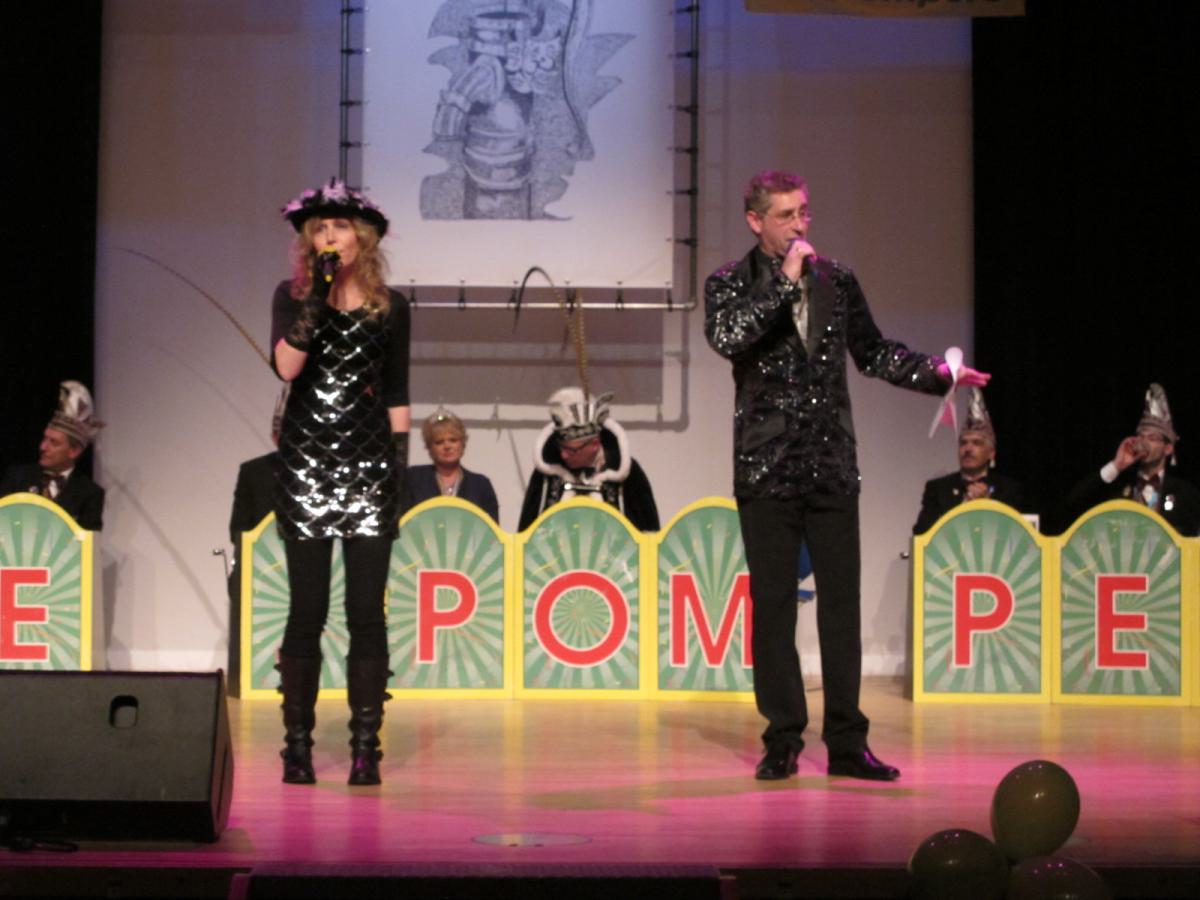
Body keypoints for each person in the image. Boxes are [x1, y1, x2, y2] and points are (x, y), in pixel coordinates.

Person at [704, 170, 989, 782]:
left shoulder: (837, 279)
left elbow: (874, 351)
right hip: (766, 468)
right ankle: (783, 738)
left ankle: (846, 742)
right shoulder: (730, 282)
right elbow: (729, 338)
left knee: (841, 607)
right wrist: (783, 283)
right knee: (773, 609)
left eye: (803, 212)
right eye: (785, 215)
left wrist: (938, 374)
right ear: (755, 221)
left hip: (832, 463)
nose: (799, 225)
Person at [271, 178, 411, 786]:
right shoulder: (292, 296)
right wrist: (318, 295)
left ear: (363, 237)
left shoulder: (391, 306)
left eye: (341, 227)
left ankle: (364, 748)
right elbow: (286, 367)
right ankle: (297, 747)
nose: (330, 236)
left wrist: (398, 469)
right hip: (305, 466)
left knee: (366, 613)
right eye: (320, 228)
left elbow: (398, 391)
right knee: (307, 610)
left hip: (370, 466)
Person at [518, 387, 659, 532]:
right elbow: (526, 533)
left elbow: (649, 533)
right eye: (561, 447)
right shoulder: (546, 475)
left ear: (595, 444)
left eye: (572, 450)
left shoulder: (628, 473)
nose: (563, 455)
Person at [1066, 383, 1199, 537]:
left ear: (1168, 448)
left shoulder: (1184, 493)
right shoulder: (1119, 486)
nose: (1144, 442)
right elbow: (1074, 502)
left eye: (1152, 438)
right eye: (1141, 436)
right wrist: (1116, 465)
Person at [224, 388, 288, 698]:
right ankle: (249, 676)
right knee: (240, 581)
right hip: (263, 568)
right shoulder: (253, 472)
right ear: (275, 436)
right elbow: (238, 527)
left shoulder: (325, 473)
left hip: (314, 563)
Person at [913, 387, 1025, 533]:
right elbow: (921, 533)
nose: (968, 449)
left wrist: (987, 507)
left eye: (976, 443)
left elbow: (1018, 533)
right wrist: (964, 507)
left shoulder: (1009, 490)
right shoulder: (938, 489)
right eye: (963, 443)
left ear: (991, 453)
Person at [1, 380, 105, 531]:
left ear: (74, 451)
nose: (43, 447)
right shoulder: (17, 478)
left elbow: (89, 541)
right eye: (45, 438)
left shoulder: (90, 494)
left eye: (54, 443)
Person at [407, 410, 500, 523]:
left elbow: (491, 528)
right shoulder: (413, 478)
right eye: (439, 442)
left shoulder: (481, 485)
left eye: (453, 440)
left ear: (463, 444)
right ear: (429, 448)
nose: (447, 446)